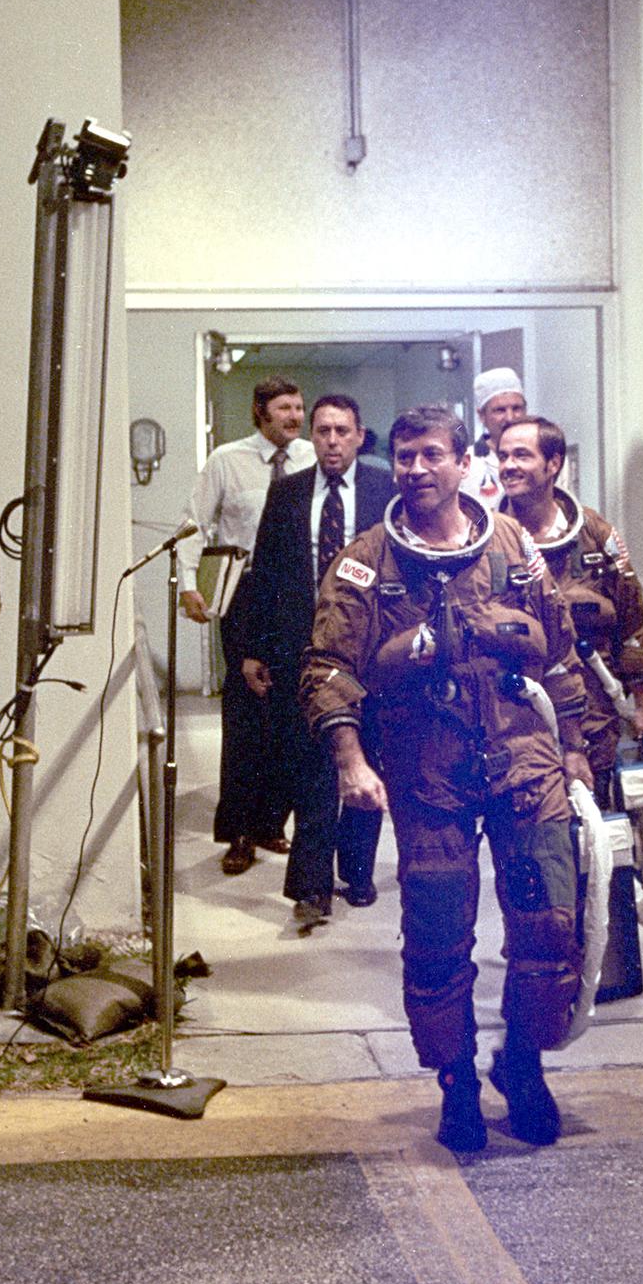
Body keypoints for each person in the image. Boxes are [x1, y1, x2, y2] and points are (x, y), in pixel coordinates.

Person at [302, 404, 593, 1154]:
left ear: (466, 464)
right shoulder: (367, 564)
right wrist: (351, 759)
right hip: (425, 763)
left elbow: (559, 651)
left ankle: (522, 1065)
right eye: (405, 457)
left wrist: (581, 748)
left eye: (433, 455)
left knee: (548, 923)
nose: (417, 469)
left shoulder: (511, 544)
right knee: (436, 934)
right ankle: (457, 1080)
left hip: (523, 755)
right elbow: (329, 667)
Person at [241, 394, 392, 933]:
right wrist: (256, 648)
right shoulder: (286, 494)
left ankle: (356, 871)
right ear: (313, 435)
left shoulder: (384, 490)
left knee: (363, 756)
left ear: (358, 436)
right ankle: (310, 887)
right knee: (310, 768)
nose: (331, 441)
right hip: (303, 650)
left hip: (370, 652)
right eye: (322, 430)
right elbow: (264, 574)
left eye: (341, 431)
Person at [178, 376, 314, 874]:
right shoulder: (226, 461)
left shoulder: (311, 460)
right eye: (284, 408)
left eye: (299, 407)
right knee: (244, 713)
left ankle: (270, 823)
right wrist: (188, 584)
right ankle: (236, 831)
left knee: (287, 712)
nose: (295, 417)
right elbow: (194, 523)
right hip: (245, 594)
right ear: (261, 412)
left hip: (296, 597)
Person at [495, 415, 643, 791]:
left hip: (593, 704)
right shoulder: (487, 538)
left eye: (521, 455)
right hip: (517, 710)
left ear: (553, 464)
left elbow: (631, 620)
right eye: (503, 457)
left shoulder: (594, 535)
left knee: (600, 820)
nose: (508, 466)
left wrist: (642, 705)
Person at [464, 366, 526, 511]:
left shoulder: (542, 456)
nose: (510, 418)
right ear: (481, 415)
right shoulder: (466, 462)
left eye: (516, 408)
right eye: (500, 410)